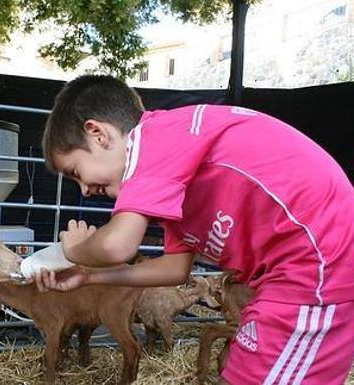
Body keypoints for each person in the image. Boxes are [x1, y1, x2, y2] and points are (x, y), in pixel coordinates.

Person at [34, 75, 354, 385]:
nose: (85, 189)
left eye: (76, 171)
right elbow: (175, 268)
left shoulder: (153, 139)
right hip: (292, 269)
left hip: (317, 262)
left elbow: (118, 245)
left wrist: (71, 249)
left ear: (97, 134)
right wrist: (90, 277)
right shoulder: (172, 172)